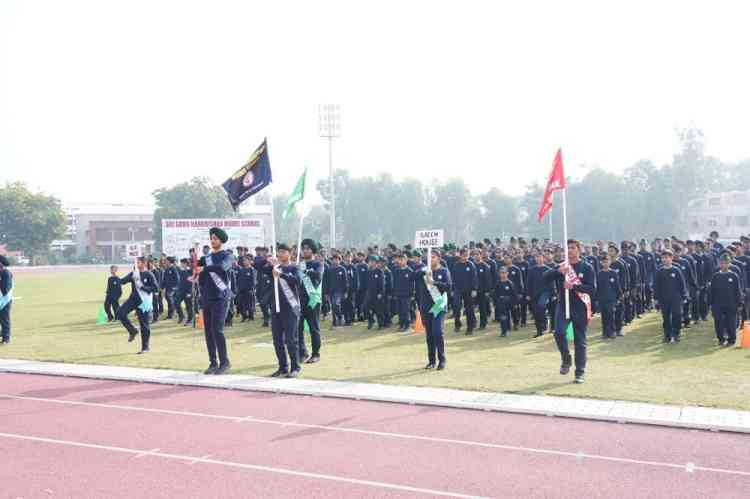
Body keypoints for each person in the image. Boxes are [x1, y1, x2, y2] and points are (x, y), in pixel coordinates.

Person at [543, 239, 596, 384]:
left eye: (573, 248)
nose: (570, 250)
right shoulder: (562, 266)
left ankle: (580, 372)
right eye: (568, 248)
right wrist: (557, 271)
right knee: (559, 332)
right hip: (563, 305)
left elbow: (591, 289)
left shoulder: (587, 268)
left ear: (579, 249)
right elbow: (545, 278)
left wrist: (574, 286)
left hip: (580, 307)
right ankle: (566, 359)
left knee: (580, 341)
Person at [198, 227, 233, 375]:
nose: (213, 241)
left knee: (217, 330)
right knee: (208, 332)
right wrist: (195, 273)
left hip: (221, 297)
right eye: (211, 238)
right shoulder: (205, 258)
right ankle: (213, 362)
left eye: (216, 239)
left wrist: (204, 268)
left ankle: (224, 362)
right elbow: (200, 277)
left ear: (221, 241)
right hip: (207, 297)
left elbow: (222, 268)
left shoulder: (228, 256)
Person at [266, 243, 302, 378]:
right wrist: (268, 262)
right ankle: (283, 367)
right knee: (277, 339)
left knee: (291, 339)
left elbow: (298, 281)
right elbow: (258, 266)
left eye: (283, 252)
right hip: (276, 308)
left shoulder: (294, 267)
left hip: (290, 308)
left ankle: (295, 367)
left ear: (289, 253)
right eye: (279, 252)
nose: (280, 254)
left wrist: (281, 274)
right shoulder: (276, 267)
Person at [413, 249, 452, 370]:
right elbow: (411, 277)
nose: (431, 259)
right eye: (429, 257)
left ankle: (442, 360)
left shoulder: (444, 271)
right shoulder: (424, 271)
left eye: (433, 257)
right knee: (429, 335)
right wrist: (424, 271)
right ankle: (431, 361)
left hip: (438, 305)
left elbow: (448, 286)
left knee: (437, 333)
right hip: (425, 306)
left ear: (439, 258)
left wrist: (434, 282)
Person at [117, 257, 158, 354]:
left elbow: (155, 288)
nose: (136, 264)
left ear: (144, 263)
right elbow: (123, 281)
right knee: (120, 313)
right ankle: (132, 331)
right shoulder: (134, 273)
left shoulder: (149, 274)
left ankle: (145, 347)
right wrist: (116, 278)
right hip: (133, 299)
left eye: (138, 262)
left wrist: (143, 287)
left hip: (144, 301)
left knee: (144, 325)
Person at [654, 250, 688, 343]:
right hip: (664, 298)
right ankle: (667, 335)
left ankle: (676, 333)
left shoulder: (676, 270)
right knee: (666, 317)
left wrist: (684, 296)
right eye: (663, 258)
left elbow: (682, 284)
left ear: (671, 258)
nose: (665, 259)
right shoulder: (659, 271)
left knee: (677, 315)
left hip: (676, 298)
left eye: (667, 257)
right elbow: (656, 286)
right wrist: (656, 299)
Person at [709, 253, 744, 347]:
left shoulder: (733, 276)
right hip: (718, 304)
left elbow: (738, 291)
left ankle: (731, 339)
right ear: (719, 264)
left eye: (726, 263)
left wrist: (740, 303)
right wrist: (710, 304)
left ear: (729, 264)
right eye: (722, 263)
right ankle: (721, 339)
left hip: (731, 304)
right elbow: (711, 291)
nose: (724, 265)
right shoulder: (716, 276)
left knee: (731, 322)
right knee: (718, 322)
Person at [297, 239, 323, 364]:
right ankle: (302, 353)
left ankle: (316, 353)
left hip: (312, 299)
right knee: (298, 327)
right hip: (300, 299)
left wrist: (306, 271)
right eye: (303, 248)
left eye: (308, 248)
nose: (305, 251)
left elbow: (318, 276)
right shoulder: (299, 264)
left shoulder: (318, 264)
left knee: (314, 328)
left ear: (313, 250)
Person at [452, 248, 478, 335]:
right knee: (456, 307)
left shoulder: (471, 265)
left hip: (468, 290)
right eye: (464, 255)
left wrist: (474, 289)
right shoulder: (456, 265)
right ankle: (457, 324)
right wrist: (453, 289)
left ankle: (470, 328)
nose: (466, 257)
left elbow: (474, 278)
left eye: (467, 255)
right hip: (458, 290)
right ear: (460, 255)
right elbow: (453, 278)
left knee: (469, 309)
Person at [596, 254, 622, 339]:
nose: (605, 264)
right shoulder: (599, 274)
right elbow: (598, 287)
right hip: (602, 299)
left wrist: (619, 297)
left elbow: (617, 286)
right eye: (604, 262)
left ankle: (612, 331)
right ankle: (605, 332)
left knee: (611, 315)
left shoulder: (613, 273)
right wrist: (597, 299)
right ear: (601, 263)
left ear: (610, 262)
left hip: (611, 299)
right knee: (604, 316)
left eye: (607, 262)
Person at [392, 253, 414, 332]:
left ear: (406, 260)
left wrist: (412, 294)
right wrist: (394, 293)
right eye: (399, 260)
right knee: (400, 311)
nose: (400, 262)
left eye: (402, 260)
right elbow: (394, 283)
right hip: (398, 294)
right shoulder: (397, 270)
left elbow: (412, 284)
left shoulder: (409, 271)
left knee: (405, 311)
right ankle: (401, 325)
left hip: (406, 295)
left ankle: (407, 325)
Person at [328, 253, 349, 328]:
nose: (335, 261)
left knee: (335, 304)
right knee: (333, 307)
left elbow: (345, 281)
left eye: (337, 259)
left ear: (339, 260)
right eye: (334, 259)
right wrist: (326, 293)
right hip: (331, 291)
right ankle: (335, 322)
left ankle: (340, 317)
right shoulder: (330, 269)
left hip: (339, 291)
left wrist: (346, 291)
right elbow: (327, 281)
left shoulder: (342, 269)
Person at [494, 267, 516, 337]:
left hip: (509, 301)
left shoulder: (509, 283)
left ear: (507, 273)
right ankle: (504, 331)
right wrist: (495, 303)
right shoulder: (498, 283)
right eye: (501, 273)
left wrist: (514, 303)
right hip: (501, 302)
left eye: (504, 273)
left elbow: (514, 293)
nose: (503, 274)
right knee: (502, 316)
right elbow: (495, 294)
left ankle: (511, 326)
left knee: (509, 315)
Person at [236, 256, 257, 322]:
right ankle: (244, 316)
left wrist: (252, 289)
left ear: (250, 261)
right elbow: (238, 279)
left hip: (249, 290)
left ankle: (251, 317)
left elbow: (253, 281)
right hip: (241, 290)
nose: (244, 262)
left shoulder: (252, 269)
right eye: (243, 260)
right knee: (241, 304)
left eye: (246, 260)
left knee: (250, 304)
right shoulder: (241, 270)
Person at [175, 258, 194, 325]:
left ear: (185, 263)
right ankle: (181, 316)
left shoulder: (190, 271)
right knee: (176, 302)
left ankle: (190, 319)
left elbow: (191, 282)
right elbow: (181, 281)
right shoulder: (181, 271)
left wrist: (189, 292)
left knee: (188, 306)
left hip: (188, 291)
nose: (181, 264)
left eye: (182, 263)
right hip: (181, 291)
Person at [0, 255, 14, 345]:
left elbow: (5, 290)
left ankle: (6, 339)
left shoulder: (6, 273)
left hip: (5, 301)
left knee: (4, 319)